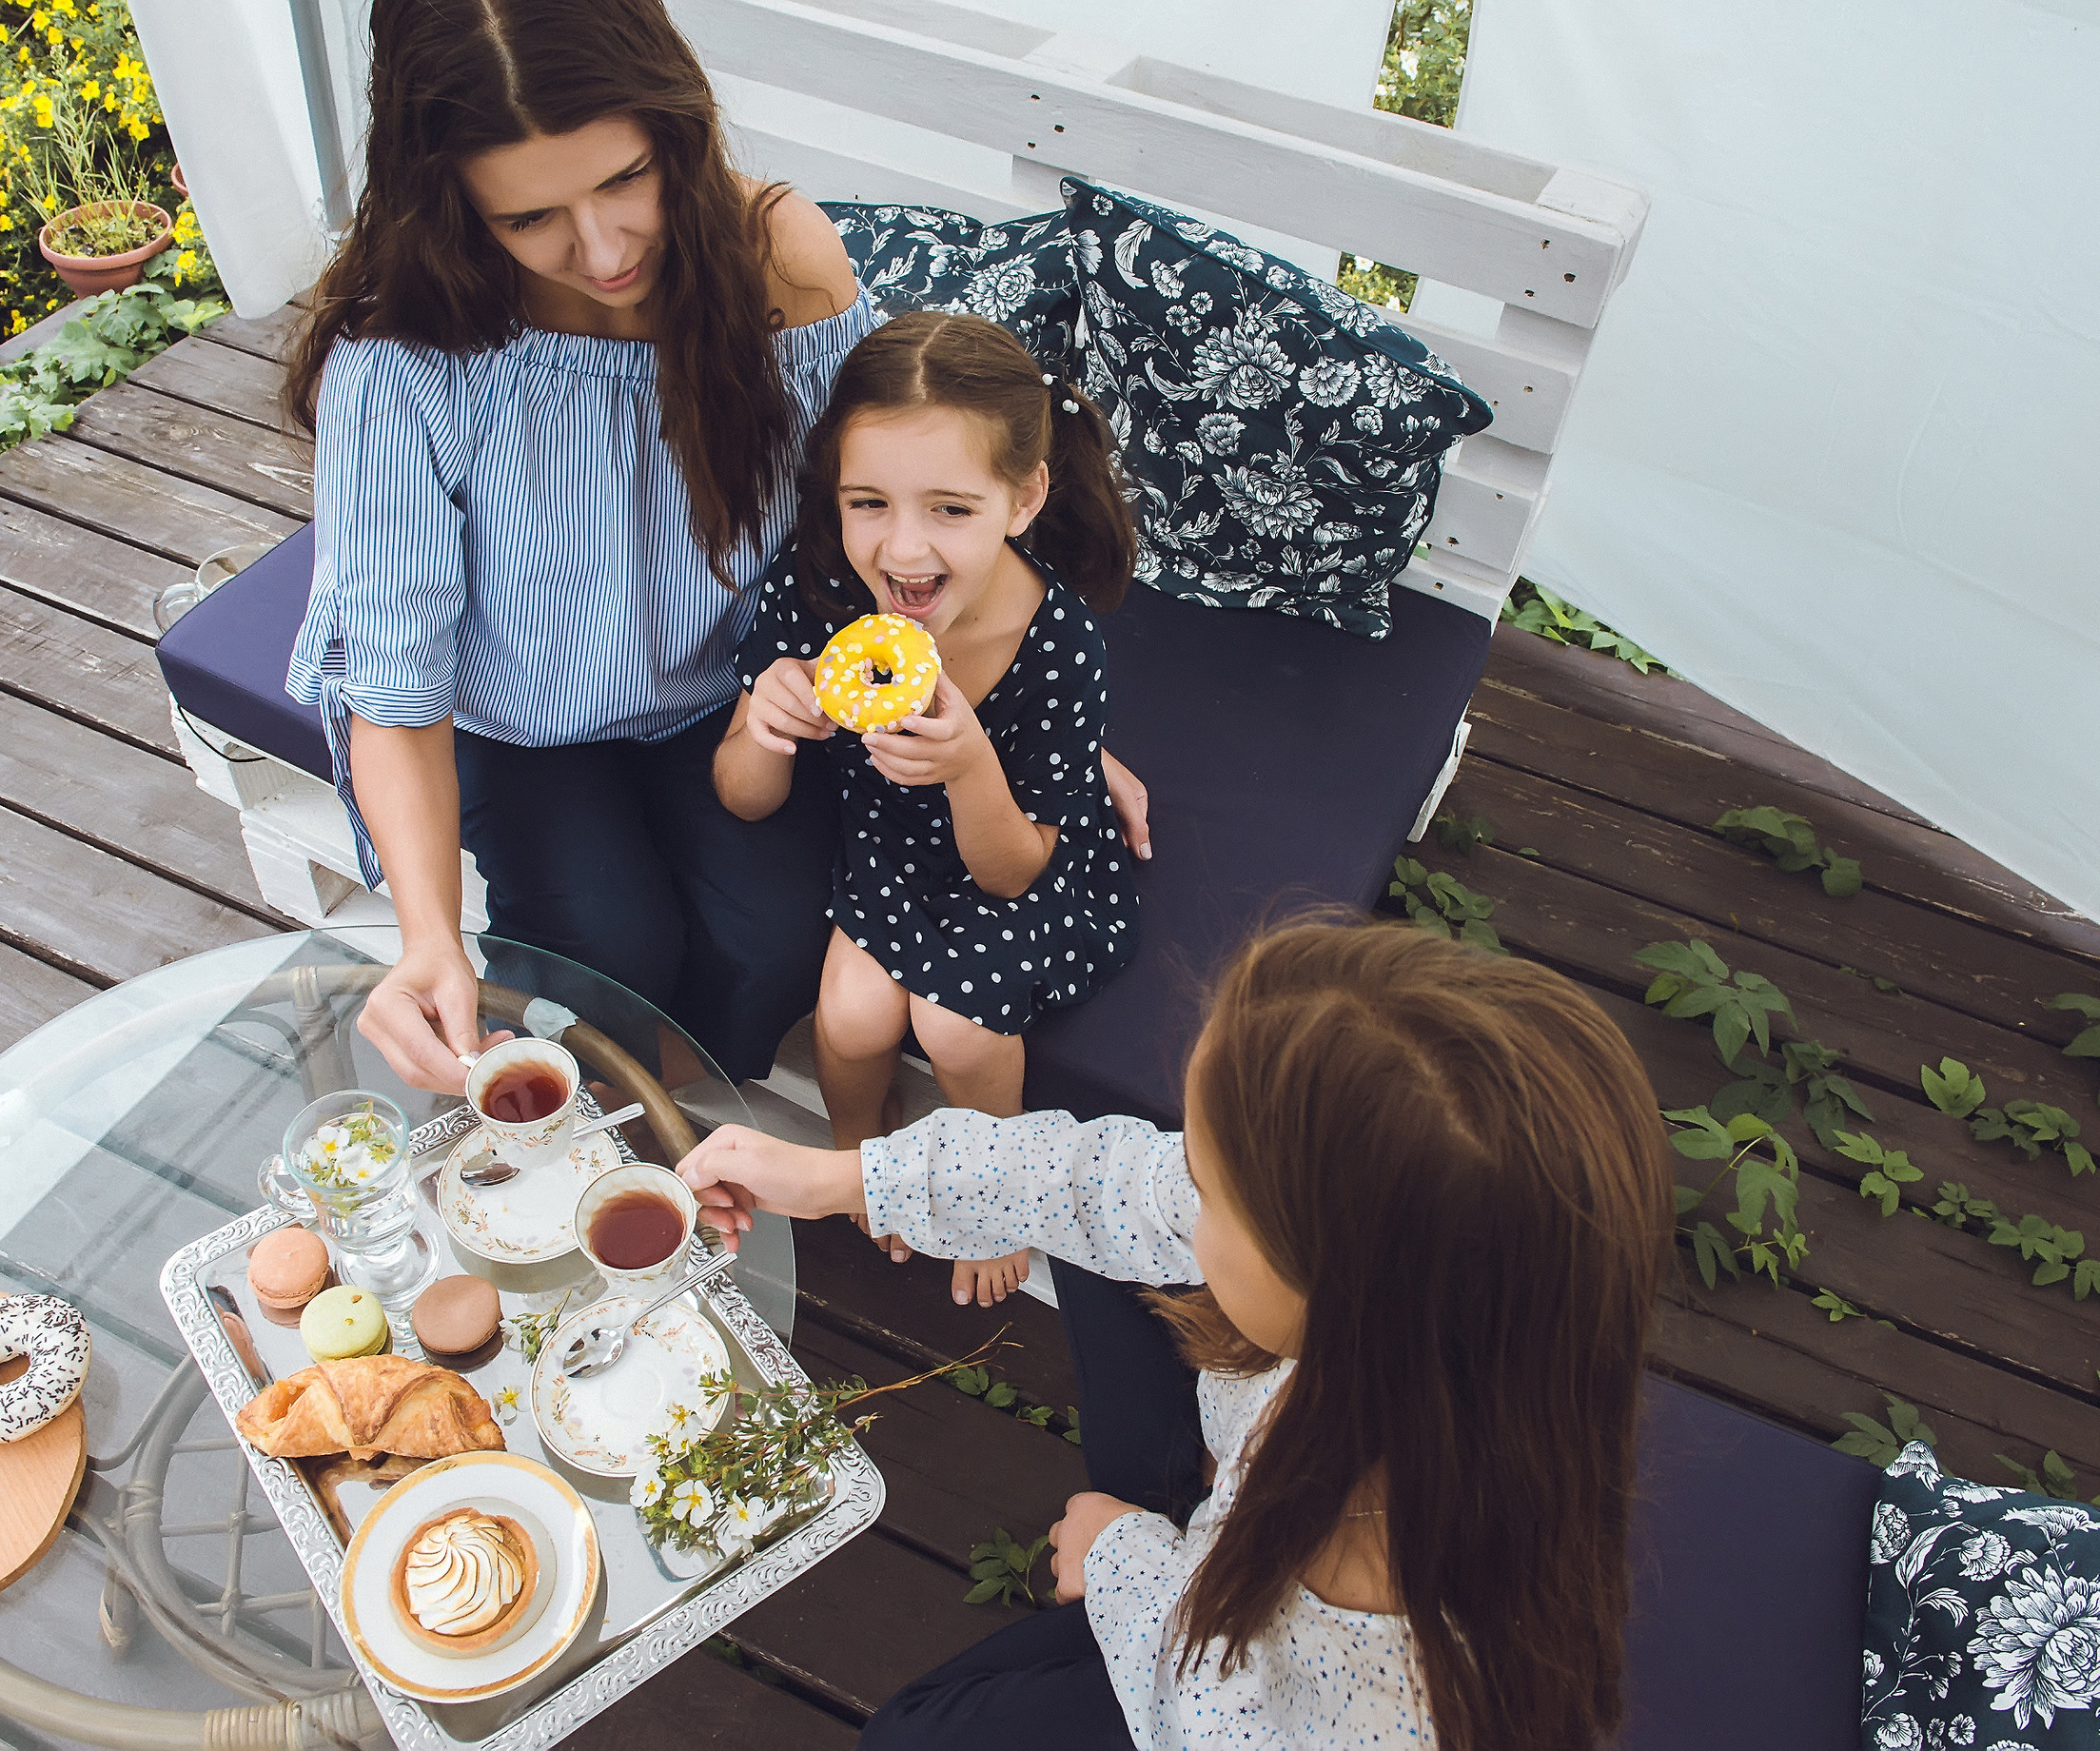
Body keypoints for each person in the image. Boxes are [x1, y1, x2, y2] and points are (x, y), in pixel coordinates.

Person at [280, 0, 1149, 1096]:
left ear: (677, 129)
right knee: (609, 951)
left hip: (730, 695)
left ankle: (696, 1105)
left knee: (775, 939)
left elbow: (884, 505)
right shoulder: (404, 354)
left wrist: (1029, 726)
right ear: (449, 197)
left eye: (625, 179)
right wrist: (428, 939)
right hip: (527, 722)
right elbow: (395, 685)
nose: (600, 251)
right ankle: (634, 1122)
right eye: (528, 218)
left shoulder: (776, 259)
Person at [678, 919, 1676, 1750]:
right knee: (1102, 1230)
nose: (1176, 1189)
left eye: (1209, 1190)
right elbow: (1099, 1181)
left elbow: (1209, 1705)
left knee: (910, 1733)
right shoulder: (1483, 1333)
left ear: (1338, 1295)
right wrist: (838, 1178)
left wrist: (1118, 1555)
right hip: (1235, 1503)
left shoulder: (1374, 1683)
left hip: (1220, 1640)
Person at [716, 310, 1140, 1308]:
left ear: (1023, 497)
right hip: (891, 851)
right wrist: (763, 723)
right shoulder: (821, 587)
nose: (902, 549)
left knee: (955, 1026)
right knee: (851, 1016)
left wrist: (968, 765)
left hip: (1021, 856)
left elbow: (1014, 868)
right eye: (869, 501)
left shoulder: (1061, 647)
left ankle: (988, 1199)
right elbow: (741, 800)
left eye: (950, 508)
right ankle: (863, 1158)